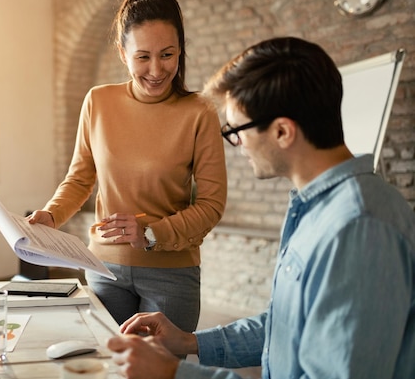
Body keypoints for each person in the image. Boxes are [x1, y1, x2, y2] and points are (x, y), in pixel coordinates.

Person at [107, 36, 415, 379]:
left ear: (283, 131)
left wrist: (175, 374)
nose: (236, 144)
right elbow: (286, 327)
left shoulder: (359, 227)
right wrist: (189, 342)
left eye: (237, 130)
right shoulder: (313, 207)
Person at [27, 0, 227, 332]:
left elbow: (212, 203)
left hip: (172, 275)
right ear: (123, 53)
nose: (156, 70)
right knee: (107, 367)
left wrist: (151, 233)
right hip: (104, 268)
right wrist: (51, 214)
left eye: (167, 54)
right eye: (142, 57)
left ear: (181, 50)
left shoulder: (199, 112)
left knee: (156, 371)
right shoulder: (98, 102)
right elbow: (80, 178)